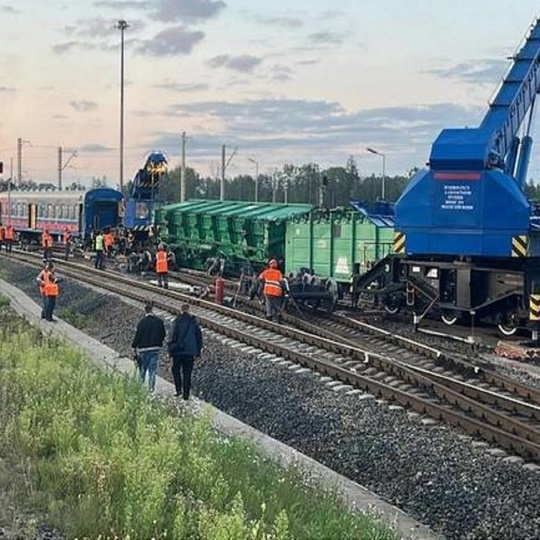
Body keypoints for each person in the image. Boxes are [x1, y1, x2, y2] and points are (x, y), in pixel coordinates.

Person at [168, 303, 203, 400]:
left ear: (181, 310)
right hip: (189, 352)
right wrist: (198, 351)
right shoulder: (193, 322)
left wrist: (170, 351)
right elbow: (199, 337)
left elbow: (171, 337)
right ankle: (186, 395)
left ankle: (178, 390)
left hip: (178, 352)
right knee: (187, 372)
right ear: (188, 310)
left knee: (176, 370)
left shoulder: (176, 321)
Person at [131, 302, 166, 393]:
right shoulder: (159, 322)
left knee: (142, 369)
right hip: (155, 349)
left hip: (143, 350)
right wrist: (159, 343)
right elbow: (163, 334)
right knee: (152, 370)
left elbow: (137, 336)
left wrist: (134, 346)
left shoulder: (141, 323)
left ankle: (139, 388)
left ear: (145, 311)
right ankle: (151, 389)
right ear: (152, 311)